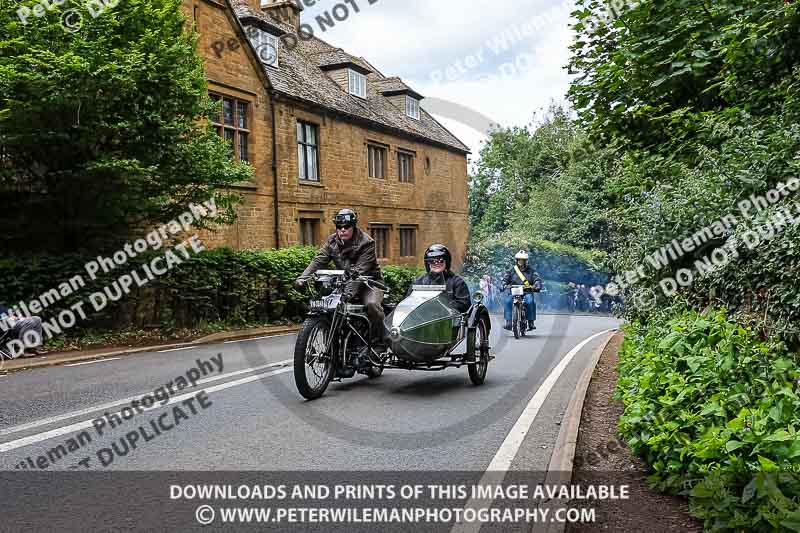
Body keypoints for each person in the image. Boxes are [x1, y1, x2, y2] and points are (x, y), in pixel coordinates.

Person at [295, 209, 385, 346]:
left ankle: (378, 341)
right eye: (339, 227)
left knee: (372, 305)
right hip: (345, 282)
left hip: (369, 283)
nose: (342, 230)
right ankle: (335, 348)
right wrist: (302, 278)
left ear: (353, 226)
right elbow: (319, 260)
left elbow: (359, 271)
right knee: (328, 307)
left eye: (346, 226)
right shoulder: (332, 241)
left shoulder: (367, 243)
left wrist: (346, 294)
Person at [408, 244, 472, 313]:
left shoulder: (457, 282)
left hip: (448, 319)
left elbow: (464, 304)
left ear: (446, 262)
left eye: (440, 260)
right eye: (432, 261)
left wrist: (443, 307)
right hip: (421, 319)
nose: (436, 263)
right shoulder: (419, 281)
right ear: (427, 263)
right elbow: (408, 302)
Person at [502, 250, 543, 331]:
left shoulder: (531, 270)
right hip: (514, 291)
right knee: (508, 301)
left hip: (527, 291)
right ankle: (509, 322)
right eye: (519, 259)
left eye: (522, 260)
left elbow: (537, 278)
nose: (520, 261)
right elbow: (505, 278)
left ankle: (531, 322)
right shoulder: (512, 270)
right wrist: (503, 284)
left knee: (530, 301)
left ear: (525, 261)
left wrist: (537, 284)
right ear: (516, 260)